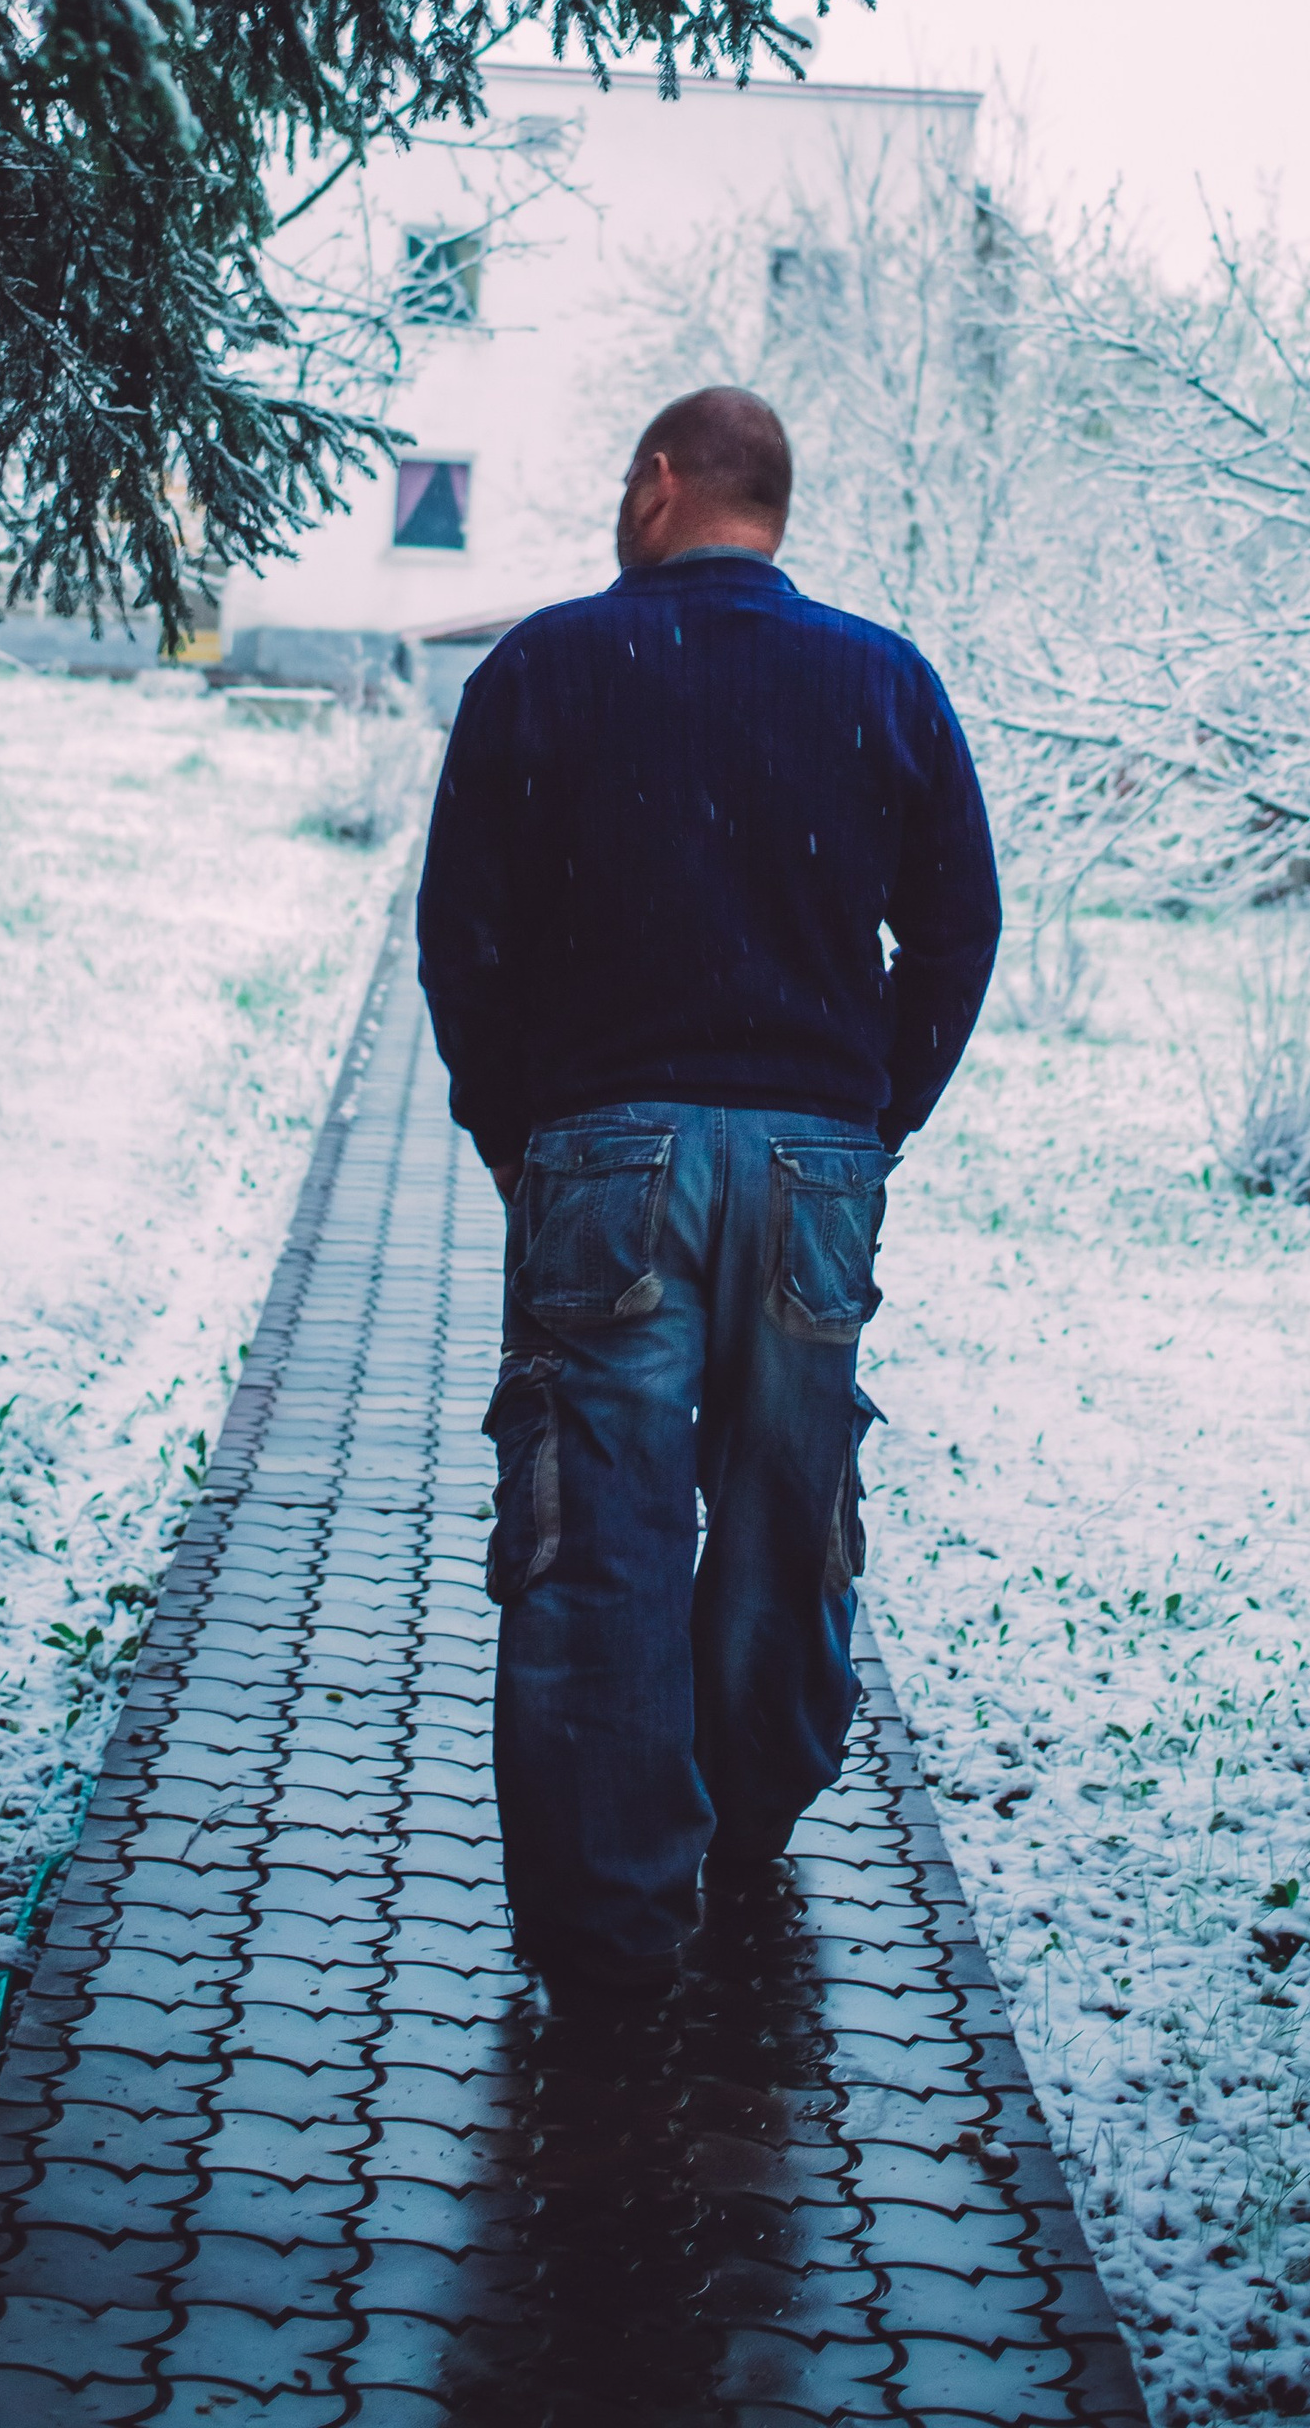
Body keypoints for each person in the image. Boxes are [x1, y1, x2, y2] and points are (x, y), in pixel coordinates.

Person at [415, 383, 1000, 1995]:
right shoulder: (885, 683)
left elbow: (462, 929)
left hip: (609, 1154)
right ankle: (745, 1818)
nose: (621, 506)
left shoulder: (546, 669)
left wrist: (506, 1127)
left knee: (597, 1526)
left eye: (627, 480)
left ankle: (611, 1933)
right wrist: (875, 1115)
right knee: (779, 1504)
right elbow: (959, 930)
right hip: (814, 1155)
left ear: (665, 484)